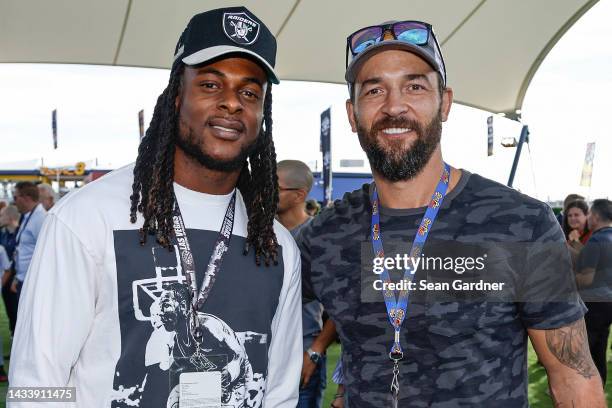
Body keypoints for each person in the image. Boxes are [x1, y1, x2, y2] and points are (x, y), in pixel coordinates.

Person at [297, 20, 604, 406]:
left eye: (415, 86)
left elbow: (573, 377)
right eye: (374, 90)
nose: (394, 105)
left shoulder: (521, 223)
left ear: (444, 103)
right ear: (352, 113)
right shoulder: (325, 234)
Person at [9, 7, 302, 407]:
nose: (232, 104)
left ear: (262, 112)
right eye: (211, 85)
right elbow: (37, 382)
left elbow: (280, 393)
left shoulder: (276, 246)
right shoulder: (86, 218)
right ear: (177, 96)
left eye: (249, 92)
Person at [276, 160, 335, 408]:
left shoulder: (320, 237)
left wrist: (315, 350)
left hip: (301, 356)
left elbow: (345, 303)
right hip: (260, 356)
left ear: (299, 194)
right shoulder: (257, 231)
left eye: (274, 187)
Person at [575, 199, 612, 386]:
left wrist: (566, 276)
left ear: (596, 216)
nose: (587, 218)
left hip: (594, 305)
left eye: (588, 214)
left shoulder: (596, 239)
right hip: (608, 305)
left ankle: (584, 395)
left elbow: (586, 280)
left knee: (585, 353)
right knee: (600, 352)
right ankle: (599, 389)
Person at [11, 181, 47, 298]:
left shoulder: (40, 218)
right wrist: (18, 277)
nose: (14, 202)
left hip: (33, 284)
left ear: (26, 197)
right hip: (25, 280)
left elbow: (47, 253)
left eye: (15, 197)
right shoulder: (29, 216)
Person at [0, 204, 19, 334]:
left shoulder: (19, 234)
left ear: (10, 216)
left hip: (15, 280)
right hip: (6, 281)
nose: (0, 217)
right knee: (10, 312)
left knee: (16, 311)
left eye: (2, 215)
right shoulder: (4, 233)